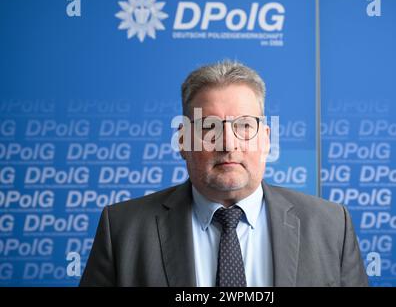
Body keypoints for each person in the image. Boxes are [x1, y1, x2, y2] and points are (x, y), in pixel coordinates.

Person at [79, 60, 369, 287]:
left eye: (244, 126)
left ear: (266, 139)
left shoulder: (332, 226)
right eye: (208, 127)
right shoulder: (122, 230)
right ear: (183, 141)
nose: (229, 143)